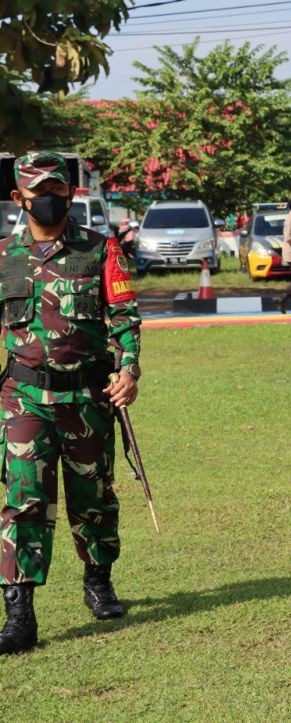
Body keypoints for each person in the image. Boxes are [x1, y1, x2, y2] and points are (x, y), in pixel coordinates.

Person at [0, 151, 141, 655]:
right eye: (39, 192)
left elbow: (125, 317)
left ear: (71, 193)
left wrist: (128, 370)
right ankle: (19, 612)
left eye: (58, 190)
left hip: (87, 396)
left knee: (93, 497)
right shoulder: (4, 257)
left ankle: (98, 582)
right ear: (19, 198)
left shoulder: (100, 250)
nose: (51, 199)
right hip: (23, 401)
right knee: (24, 501)